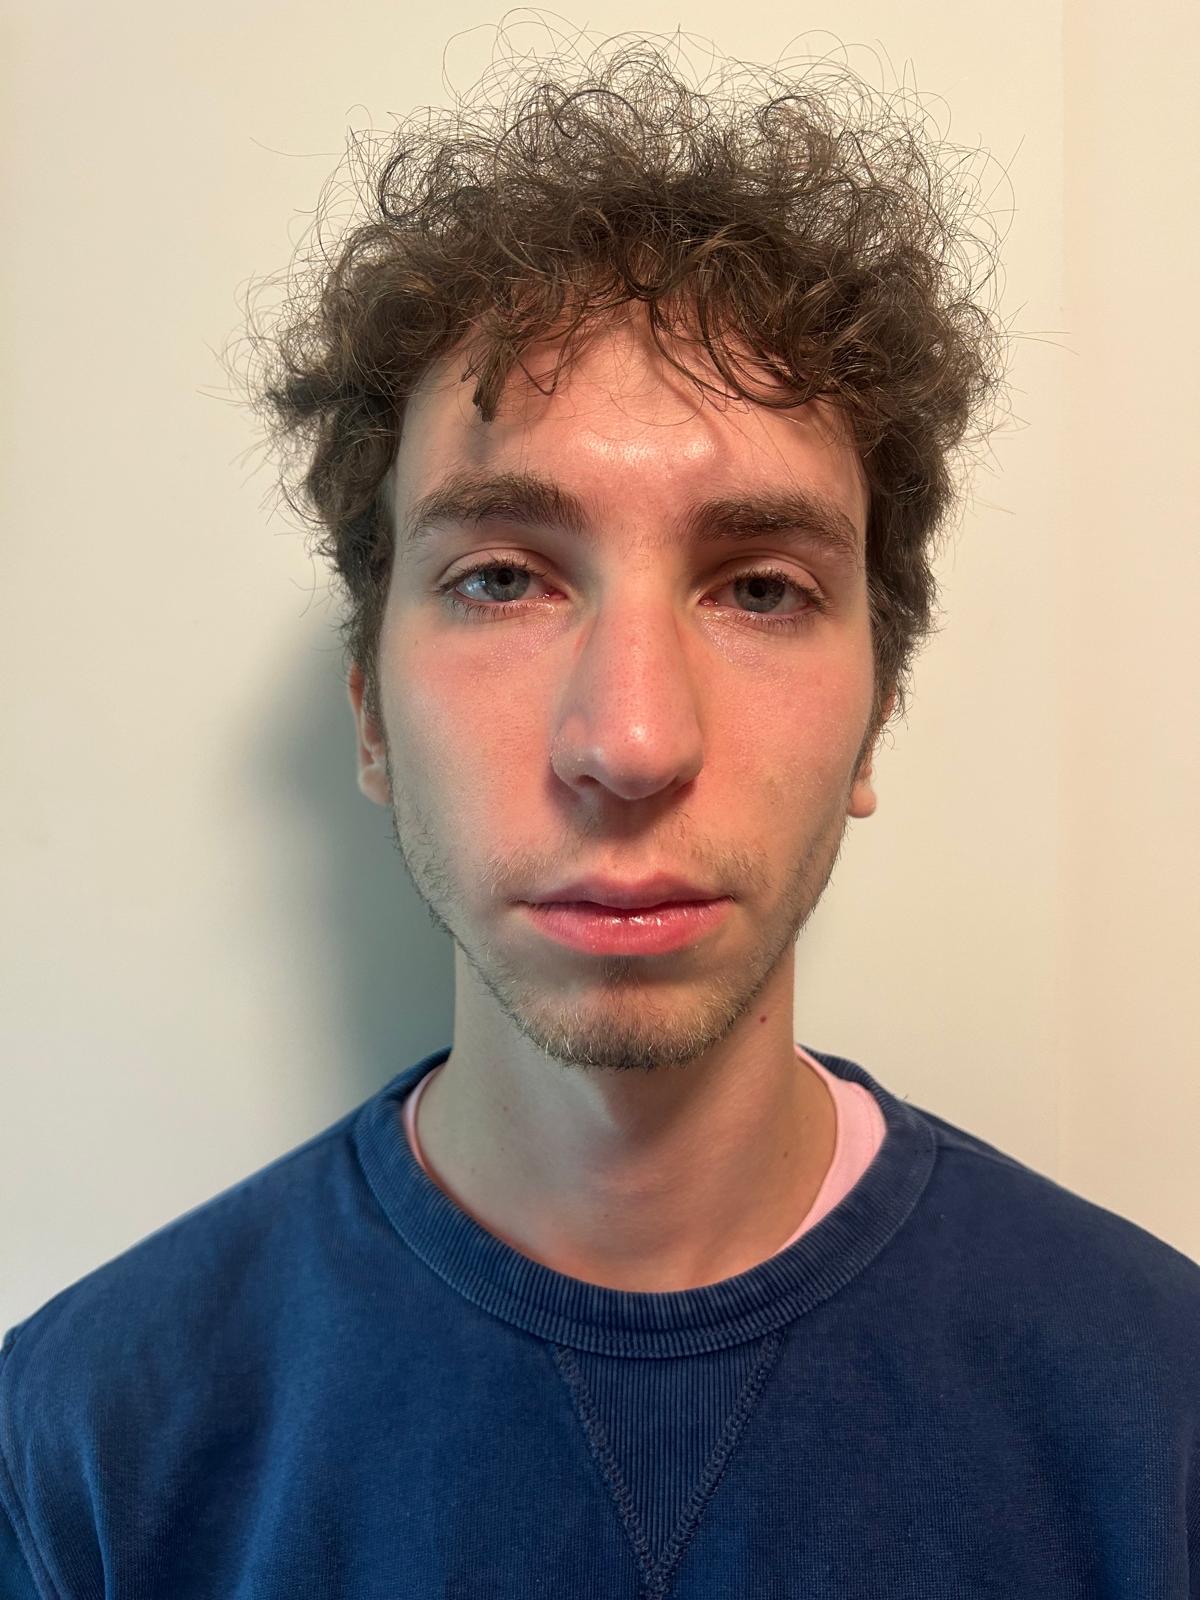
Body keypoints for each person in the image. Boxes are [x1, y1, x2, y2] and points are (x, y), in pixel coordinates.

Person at [2, 31, 1197, 1599]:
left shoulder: (1161, 1418)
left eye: (758, 589)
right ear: (371, 715)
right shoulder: (85, 1448)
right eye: (503, 577)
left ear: (877, 711)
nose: (631, 742)